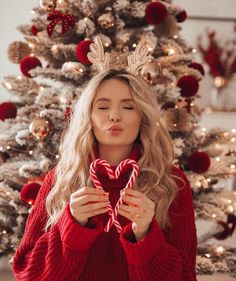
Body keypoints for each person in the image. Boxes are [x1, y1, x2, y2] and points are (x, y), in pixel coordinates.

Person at [12, 39, 197, 281]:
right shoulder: (61, 180)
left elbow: (185, 277)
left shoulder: (171, 184)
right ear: (88, 115)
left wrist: (145, 235)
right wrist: (72, 227)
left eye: (128, 107)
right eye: (103, 107)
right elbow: (29, 274)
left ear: (143, 117)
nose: (115, 116)